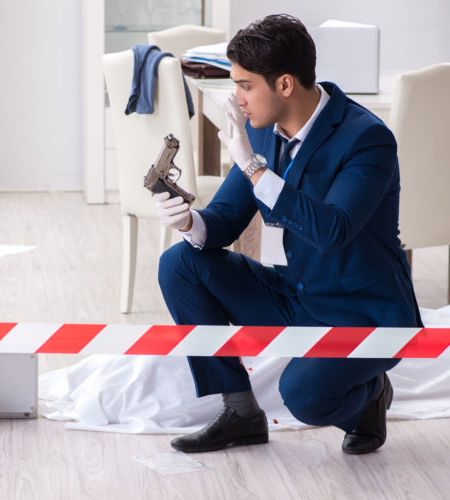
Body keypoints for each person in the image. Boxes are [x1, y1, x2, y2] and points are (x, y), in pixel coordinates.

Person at [154, 14, 422, 455]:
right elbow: (224, 218)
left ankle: (370, 397)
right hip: (299, 295)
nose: (236, 98)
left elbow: (332, 230)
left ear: (283, 85)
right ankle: (240, 412)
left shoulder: (367, 139)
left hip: (364, 314)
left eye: (244, 85)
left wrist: (253, 167)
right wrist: (188, 222)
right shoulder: (262, 131)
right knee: (180, 263)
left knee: (304, 398)